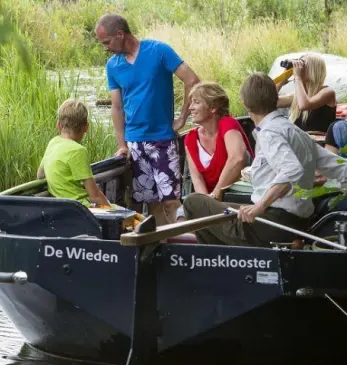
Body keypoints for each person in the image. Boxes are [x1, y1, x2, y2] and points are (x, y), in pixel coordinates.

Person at [182, 73, 347, 247]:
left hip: (274, 222)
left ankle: (220, 260)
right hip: (298, 221)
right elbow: (343, 166)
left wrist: (260, 206)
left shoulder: (269, 133)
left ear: (245, 104)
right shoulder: (294, 131)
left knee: (193, 203)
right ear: (275, 100)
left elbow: (292, 170)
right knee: (221, 208)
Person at [95, 13, 200, 226]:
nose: (105, 47)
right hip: (134, 144)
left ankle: (180, 245)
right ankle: (162, 247)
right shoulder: (113, 66)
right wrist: (121, 144)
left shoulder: (159, 51)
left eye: (106, 42)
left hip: (162, 140)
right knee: (151, 204)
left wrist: (182, 118)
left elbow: (192, 80)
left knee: (171, 202)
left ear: (120, 34)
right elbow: (117, 107)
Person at [183, 81, 254, 199]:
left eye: (196, 102)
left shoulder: (228, 123)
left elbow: (237, 158)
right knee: (182, 213)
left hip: (238, 197)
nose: (190, 108)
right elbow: (197, 179)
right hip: (212, 199)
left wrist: (215, 194)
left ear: (213, 107)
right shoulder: (190, 138)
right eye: (191, 103)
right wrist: (205, 202)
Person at [36, 99, 111, 208]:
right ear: (86, 127)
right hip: (81, 208)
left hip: (63, 207)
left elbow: (40, 175)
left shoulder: (53, 142)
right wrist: (112, 208)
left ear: (59, 125)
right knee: (131, 218)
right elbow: (94, 196)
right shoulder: (79, 151)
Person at [276, 54, 337, 136]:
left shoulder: (328, 92)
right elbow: (270, 102)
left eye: (303, 65)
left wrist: (298, 77)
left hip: (318, 145)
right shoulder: (297, 97)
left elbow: (304, 105)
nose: (299, 68)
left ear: (314, 70)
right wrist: (283, 79)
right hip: (300, 143)